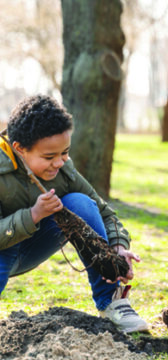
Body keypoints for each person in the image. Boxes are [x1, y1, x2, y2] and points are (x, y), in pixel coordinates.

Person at [0, 94, 148, 334]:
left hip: (29, 249)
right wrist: (34, 214)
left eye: (64, 153)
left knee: (80, 202)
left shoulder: (62, 169)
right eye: (49, 156)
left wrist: (117, 247)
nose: (59, 163)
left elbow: (104, 213)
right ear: (19, 149)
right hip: (2, 252)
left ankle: (111, 301)